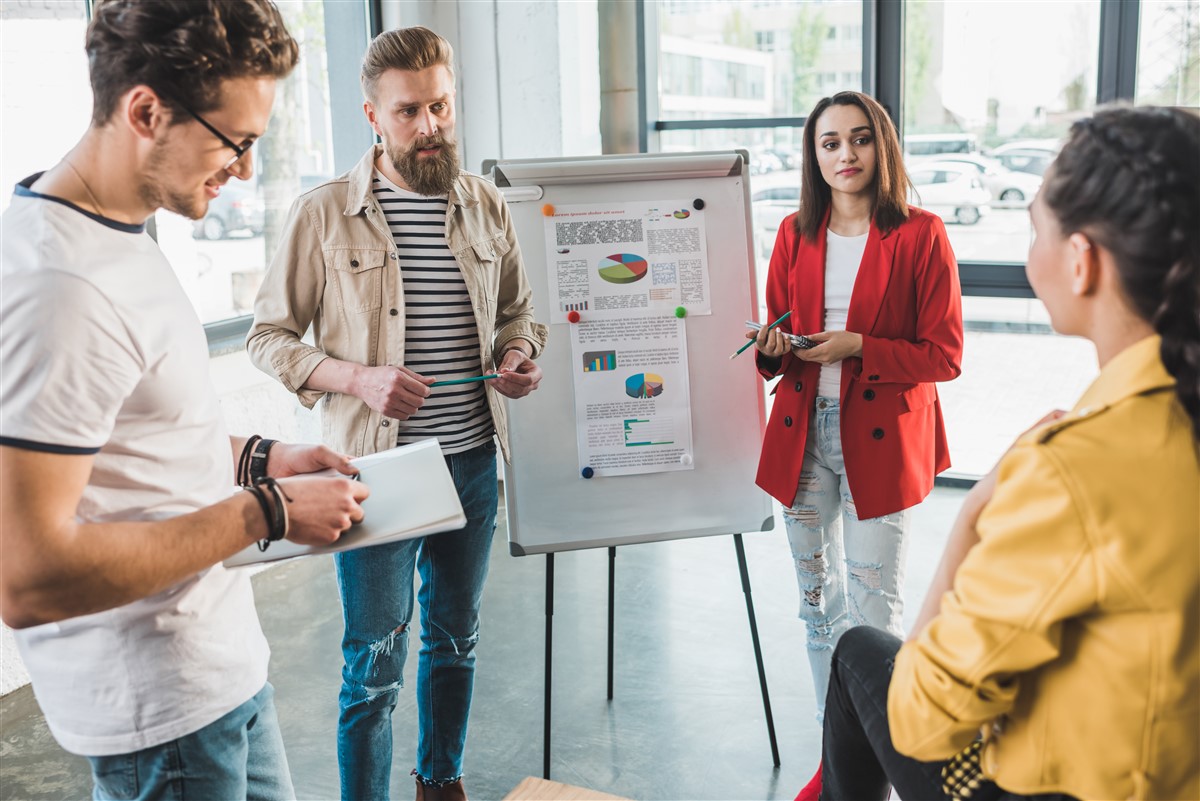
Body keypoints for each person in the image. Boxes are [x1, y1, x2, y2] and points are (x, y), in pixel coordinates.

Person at [0, 3, 370, 800]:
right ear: (146, 110)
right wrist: (265, 510)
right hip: (157, 713)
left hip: (217, 669)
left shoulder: (120, 231)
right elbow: (27, 577)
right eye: (235, 141)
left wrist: (262, 457)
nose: (244, 168)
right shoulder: (58, 287)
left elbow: (134, 435)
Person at [816, 105, 1200, 801]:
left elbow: (920, 720)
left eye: (1035, 228)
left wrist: (972, 517)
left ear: (1082, 262)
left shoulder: (1072, 469)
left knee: (861, 654)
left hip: (1055, 786)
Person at [246, 25, 547, 801]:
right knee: (372, 662)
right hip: (371, 472)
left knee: (457, 640)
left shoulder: (483, 203)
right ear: (373, 116)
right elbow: (269, 338)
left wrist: (517, 356)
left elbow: (520, 312)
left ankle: (439, 779)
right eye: (409, 111)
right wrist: (358, 377)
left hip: (473, 463)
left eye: (441, 107)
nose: (430, 127)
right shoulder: (323, 214)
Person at [750, 90, 962, 754]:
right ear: (814, 156)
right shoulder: (794, 232)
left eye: (860, 138)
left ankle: (881, 758)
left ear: (882, 145)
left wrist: (860, 345)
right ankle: (833, 746)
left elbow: (944, 355)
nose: (846, 153)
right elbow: (779, 340)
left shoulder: (920, 234)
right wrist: (770, 346)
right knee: (817, 603)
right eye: (830, 142)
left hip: (881, 442)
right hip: (803, 436)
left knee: (874, 613)